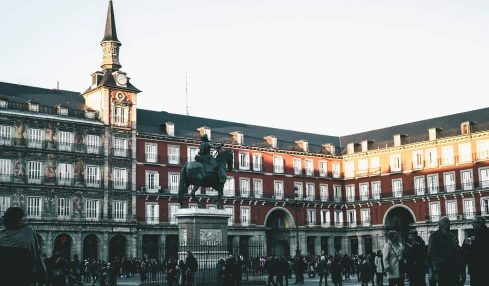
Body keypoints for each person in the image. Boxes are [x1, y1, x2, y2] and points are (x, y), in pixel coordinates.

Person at [0, 206, 46, 286]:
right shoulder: (28, 231)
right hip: (24, 277)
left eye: (5, 216)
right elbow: (36, 254)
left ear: (10, 219)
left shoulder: (3, 235)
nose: (2, 218)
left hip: (8, 276)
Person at [428, 216, 459, 286]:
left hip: (453, 267)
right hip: (442, 268)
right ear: (440, 224)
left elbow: (456, 249)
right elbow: (431, 252)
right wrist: (440, 262)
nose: (448, 223)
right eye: (446, 221)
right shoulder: (434, 235)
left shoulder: (452, 236)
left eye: (449, 221)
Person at [465, 216, 489, 286]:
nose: (472, 224)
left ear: (481, 223)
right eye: (472, 222)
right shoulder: (473, 234)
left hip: (482, 267)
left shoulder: (484, 234)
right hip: (475, 267)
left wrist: (469, 243)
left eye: (474, 222)